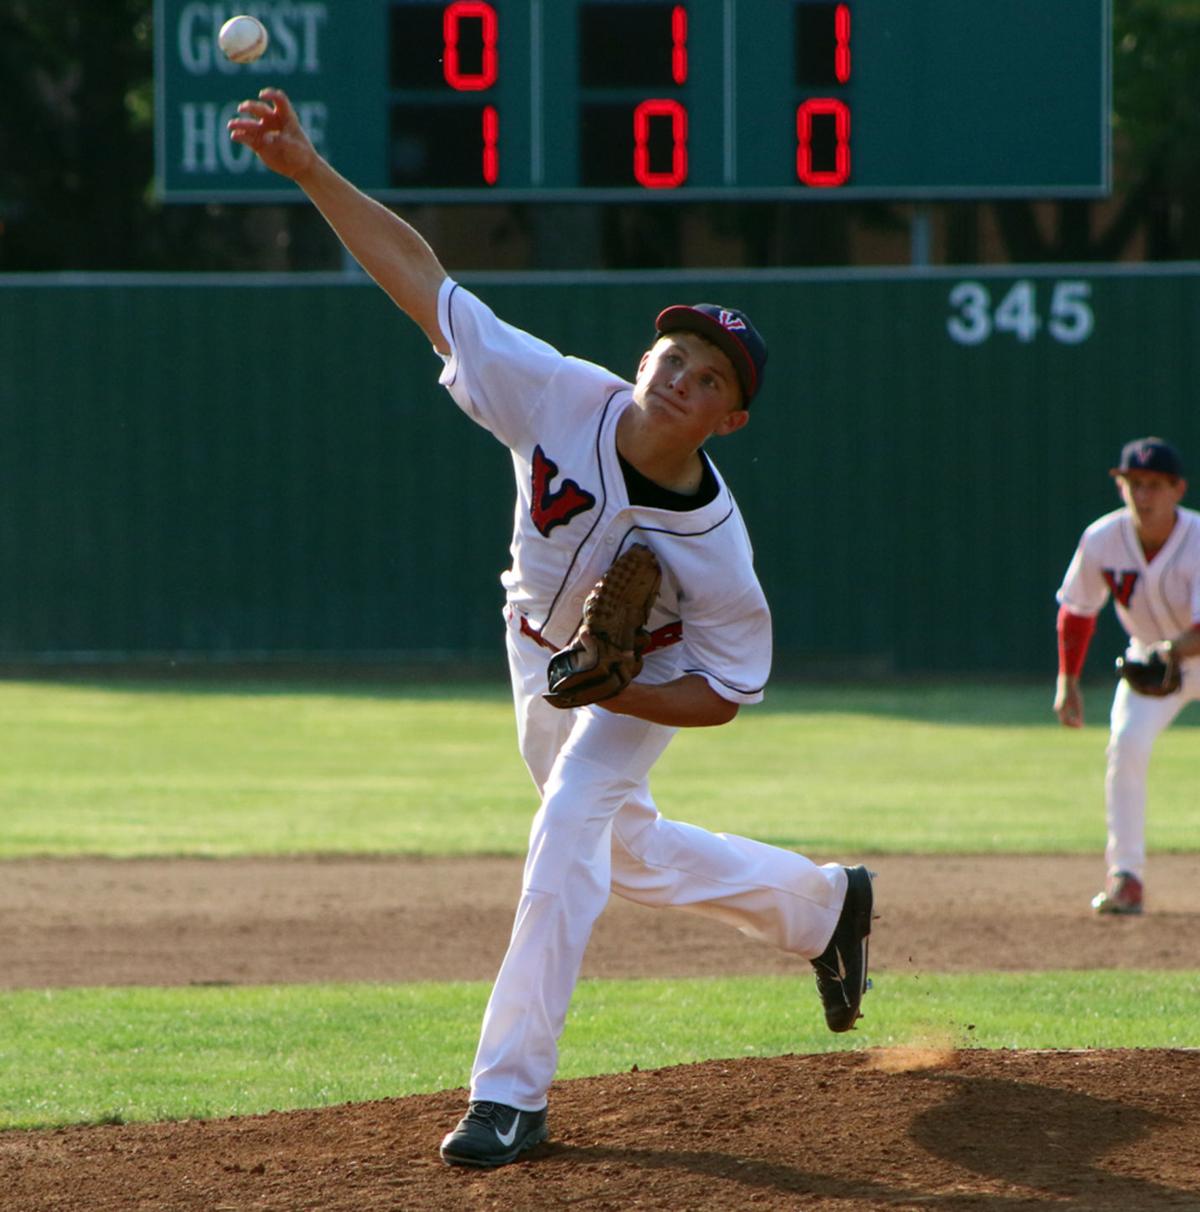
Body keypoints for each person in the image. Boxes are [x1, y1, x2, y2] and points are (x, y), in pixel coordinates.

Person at [229, 89, 875, 1168]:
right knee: (619, 853)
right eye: (673, 355)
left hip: (638, 680)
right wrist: (309, 172)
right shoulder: (554, 392)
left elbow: (726, 690)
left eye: (711, 378)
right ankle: (820, 907)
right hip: (533, 646)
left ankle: (510, 1096)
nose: (682, 377)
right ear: (644, 358)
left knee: (570, 822)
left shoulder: (715, 546)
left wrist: (614, 690)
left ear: (732, 419)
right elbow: (425, 283)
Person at [1054, 436, 1200, 915]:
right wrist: (1068, 682)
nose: (1143, 495)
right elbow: (1077, 610)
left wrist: (1171, 649)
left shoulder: (1197, 538)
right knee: (1127, 745)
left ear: (1177, 489)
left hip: (1177, 653)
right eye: (1134, 483)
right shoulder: (1102, 538)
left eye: (1154, 485)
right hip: (1149, 663)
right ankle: (1127, 877)